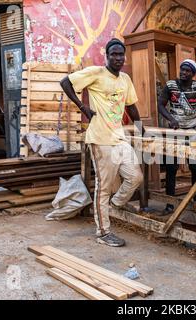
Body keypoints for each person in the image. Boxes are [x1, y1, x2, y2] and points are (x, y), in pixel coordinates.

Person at [60, 38, 144, 247]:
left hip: (119, 138)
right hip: (100, 139)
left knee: (135, 177)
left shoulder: (125, 79)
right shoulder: (96, 73)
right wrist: (82, 107)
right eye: (113, 54)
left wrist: (142, 129)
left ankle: (114, 205)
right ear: (106, 56)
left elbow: (131, 106)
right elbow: (65, 82)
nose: (117, 58)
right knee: (103, 187)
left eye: (120, 54)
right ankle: (103, 231)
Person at [157, 59, 196, 214]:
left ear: (193, 74)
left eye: (187, 70)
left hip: (192, 131)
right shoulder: (171, 85)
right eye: (182, 69)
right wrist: (171, 119)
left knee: (194, 167)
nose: (183, 72)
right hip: (174, 132)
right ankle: (169, 204)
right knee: (171, 167)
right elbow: (160, 104)